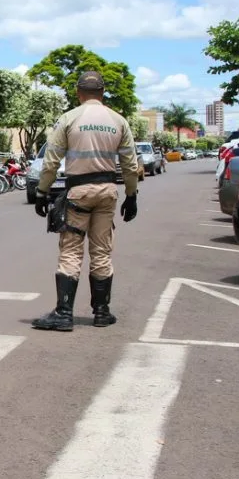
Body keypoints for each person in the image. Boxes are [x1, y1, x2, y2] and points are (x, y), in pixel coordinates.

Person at [32, 71, 141, 331]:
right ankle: (102, 312)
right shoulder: (119, 121)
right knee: (102, 252)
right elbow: (130, 163)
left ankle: (64, 314)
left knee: (71, 251)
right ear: (102, 93)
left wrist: (42, 191)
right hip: (107, 193)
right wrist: (132, 195)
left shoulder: (69, 118)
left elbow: (51, 161)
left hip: (78, 192)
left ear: (79, 93)